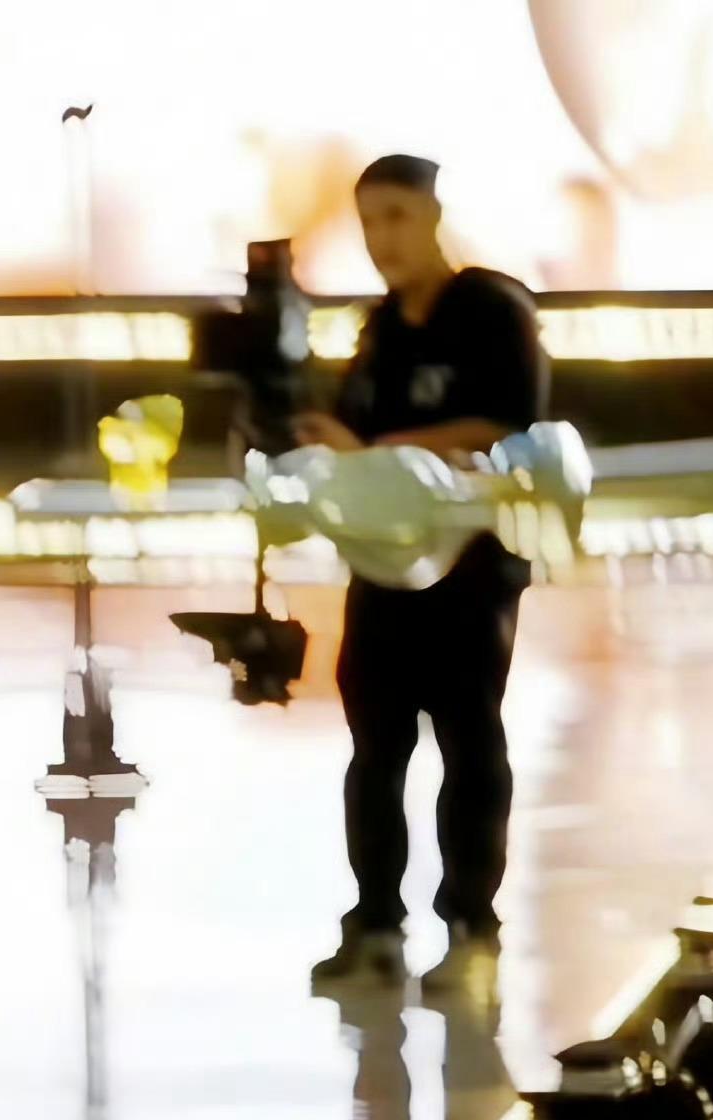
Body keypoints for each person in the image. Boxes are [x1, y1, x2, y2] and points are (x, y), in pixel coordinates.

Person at [300, 155, 549, 1008]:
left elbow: (506, 423)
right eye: (369, 221)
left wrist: (379, 451)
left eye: (397, 217)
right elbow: (347, 434)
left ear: (435, 217)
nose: (383, 239)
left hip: (472, 565)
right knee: (375, 749)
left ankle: (472, 930)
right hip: (383, 563)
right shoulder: (379, 332)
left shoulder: (492, 310)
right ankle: (375, 925)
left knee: (469, 743)